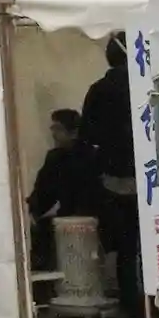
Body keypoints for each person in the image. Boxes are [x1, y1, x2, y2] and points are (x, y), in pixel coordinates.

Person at [81, 33, 146, 318]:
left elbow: (87, 137)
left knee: (126, 250)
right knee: (153, 247)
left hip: (113, 182)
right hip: (150, 178)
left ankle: (134, 315)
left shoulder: (98, 90)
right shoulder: (146, 86)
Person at [27, 108, 101, 273]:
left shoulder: (61, 157)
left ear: (73, 131)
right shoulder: (91, 154)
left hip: (78, 216)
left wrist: (34, 209)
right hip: (85, 216)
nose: (53, 134)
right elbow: (44, 191)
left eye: (57, 128)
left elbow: (45, 191)